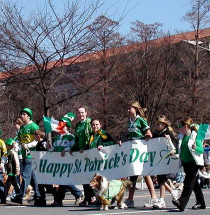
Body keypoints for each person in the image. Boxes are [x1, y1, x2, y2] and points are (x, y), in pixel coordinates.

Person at [119, 101, 155, 208]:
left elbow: (149, 134)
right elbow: (130, 135)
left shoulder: (141, 120)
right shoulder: (130, 121)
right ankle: (130, 199)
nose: (128, 110)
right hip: (132, 150)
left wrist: (141, 139)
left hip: (140, 150)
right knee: (133, 174)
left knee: (145, 172)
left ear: (135, 109)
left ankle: (154, 197)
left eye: (130, 108)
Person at [47, 112, 83, 207]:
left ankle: (60, 200)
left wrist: (66, 150)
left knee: (64, 181)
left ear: (67, 127)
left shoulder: (71, 137)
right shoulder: (57, 138)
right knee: (61, 181)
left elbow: (73, 148)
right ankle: (76, 194)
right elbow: (54, 150)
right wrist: (50, 148)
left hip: (67, 163)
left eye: (63, 125)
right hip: (58, 163)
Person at [11, 108, 44, 206]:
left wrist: (28, 145)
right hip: (24, 154)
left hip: (31, 155)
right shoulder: (22, 128)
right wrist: (16, 143)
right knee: (33, 178)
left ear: (28, 116)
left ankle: (19, 196)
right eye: (22, 114)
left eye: (24, 114)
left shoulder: (33, 126)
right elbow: (19, 139)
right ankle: (39, 197)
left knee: (25, 176)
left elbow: (38, 139)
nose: (22, 116)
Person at [172, 118, 206, 211]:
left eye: (180, 127)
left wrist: (195, 148)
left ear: (186, 127)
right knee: (194, 184)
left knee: (188, 183)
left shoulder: (195, 136)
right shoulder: (182, 137)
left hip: (194, 163)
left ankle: (181, 203)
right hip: (185, 163)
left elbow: (201, 150)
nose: (179, 129)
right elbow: (180, 149)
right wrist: (174, 151)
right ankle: (201, 203)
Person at [151, 115, 179, 208]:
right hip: (158, 158)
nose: (156, 126)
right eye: (156, 124)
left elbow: (175, 143)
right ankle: (172, 191)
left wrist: (172, 146)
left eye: (158, 124)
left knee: (162, 177)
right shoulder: (156, 133)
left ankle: (162, 199)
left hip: (167, 159)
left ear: (164, 124)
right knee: (160, 178)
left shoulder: (168, 132)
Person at [69, 106, 95, 207]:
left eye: (82, 113)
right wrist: (73, 149)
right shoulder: (78, 125)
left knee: (90, 176)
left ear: (86, 113)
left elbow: (92, 137)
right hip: (80, 154)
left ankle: (92, 196)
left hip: (89, 152)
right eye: (79, 113)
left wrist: (86, 147)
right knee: (84, 176)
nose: (81, 115)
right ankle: (87, 197)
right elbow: (77, 139)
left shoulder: (89, 123)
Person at [0, 130, 7, 204]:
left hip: (0, 164)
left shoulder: (1, 142)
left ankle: (2, 198)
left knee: (0, 182)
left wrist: (2, 162)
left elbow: (4, 154)